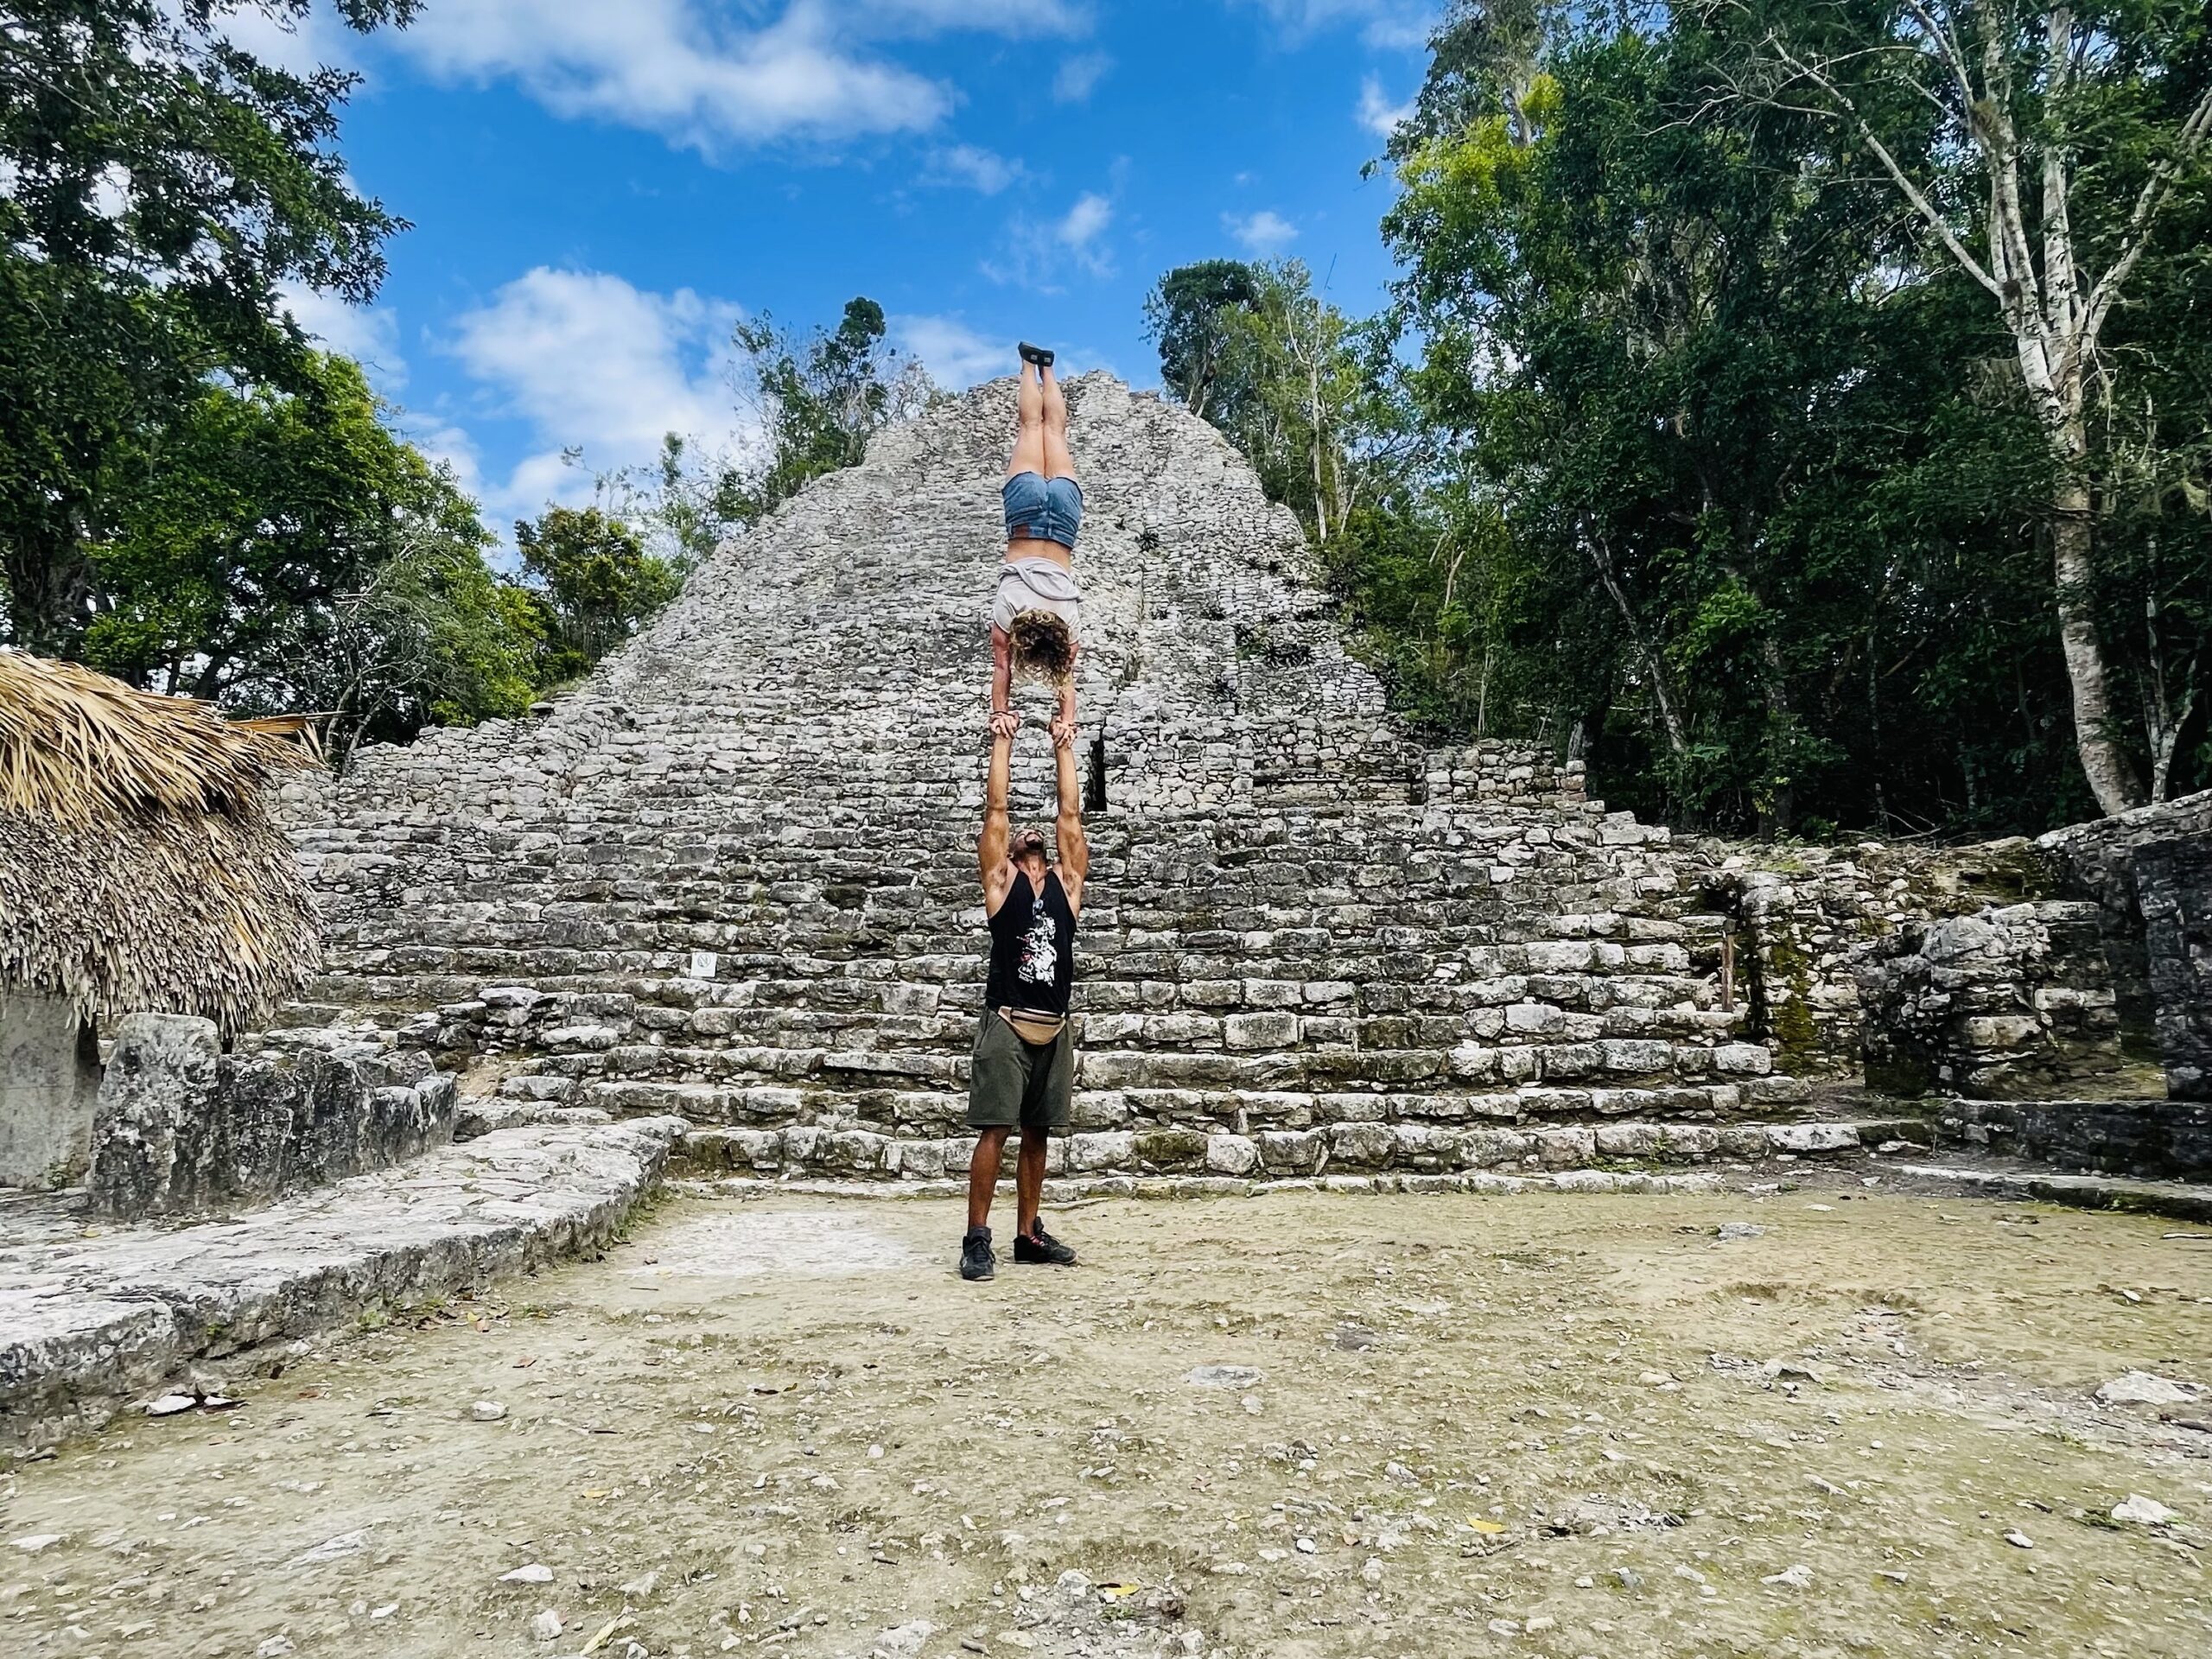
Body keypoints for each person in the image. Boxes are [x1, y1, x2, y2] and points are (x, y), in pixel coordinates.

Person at [961, 709, 1088, 1281]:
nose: (1030, 833)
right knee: (997, 1129)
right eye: (1021, 837)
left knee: (1038, 1133)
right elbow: (996, 810)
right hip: (1008, 1023)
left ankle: (1028, 1233)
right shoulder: (1000, 884)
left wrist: (1065, 745)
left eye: (1038, 840)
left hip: (1054, 1025)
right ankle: (977, 1237)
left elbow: (1070, 814)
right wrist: (1003, 743)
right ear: (1011, 852)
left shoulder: (1067, 884)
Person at [990, 343, 1081, 750]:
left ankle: (1050, 370)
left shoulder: (1069, 624)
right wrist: (1000, 711)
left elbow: (1068, 677)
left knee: (1054, 432)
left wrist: (1068, 719)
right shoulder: (1009, 615)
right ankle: (1031, 365)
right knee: (1032, 428)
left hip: (1062, 524)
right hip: (1024, 522)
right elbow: (1002, 667)